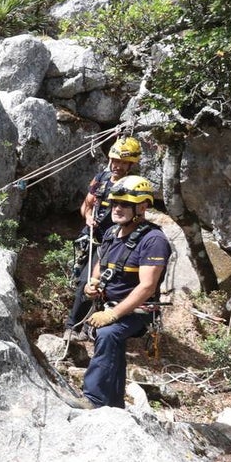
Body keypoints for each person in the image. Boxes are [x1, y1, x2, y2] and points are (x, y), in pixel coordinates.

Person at [75, 175, 170, 408]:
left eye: (125, 204)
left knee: (109, 334)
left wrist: (113, 314)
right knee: (110, 342)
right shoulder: (111, 233)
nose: (117, 208)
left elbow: (147, 286)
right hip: (109, 304)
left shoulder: (153, 240)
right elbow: (100, 264)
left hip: (137, 310)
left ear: (142, 206)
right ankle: (114, 403)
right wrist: (92, 283)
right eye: (115, 203)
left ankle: (94, 399)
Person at [64, 136, 142, 338]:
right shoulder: (101, 179)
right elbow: (87, 205)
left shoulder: (133, 186)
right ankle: (84, 325)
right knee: (81, 282)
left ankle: (73, 328)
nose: (118, 166)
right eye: (115, 161)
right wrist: (89, 218)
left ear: (131, 164)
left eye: (123, 162)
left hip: (113, 241)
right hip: (92, 236)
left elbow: (138, 216)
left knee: (90, 282)